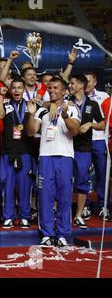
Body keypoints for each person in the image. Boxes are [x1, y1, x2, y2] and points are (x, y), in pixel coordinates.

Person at [26, 77, 80, 247]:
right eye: (50, 88)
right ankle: (47, 234)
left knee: (64, 197)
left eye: (56, 88)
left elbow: (75, 131)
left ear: (64, 91)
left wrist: (64, 116)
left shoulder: (72, 109)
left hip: (65, 157)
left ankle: (63, 233)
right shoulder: (42, 111)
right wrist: (31, 114)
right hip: (46, 158)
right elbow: (30, 131)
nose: (52, 90)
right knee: (45, 197)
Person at [0, 78, 34, 229]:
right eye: (14, 88)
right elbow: (0, 116)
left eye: (20, 87)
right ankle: (8, 216)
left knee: (25, 186)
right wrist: (0, 97)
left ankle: (25, 216)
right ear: (11, 90)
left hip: (25, 151)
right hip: (9, 152)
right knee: (8, 186)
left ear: (24, 89)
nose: (17, 90)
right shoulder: (6, 104)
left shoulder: (30, 105)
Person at [69, 74, 104, 229]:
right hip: (66, 147)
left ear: (81, 86)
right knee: (64, 182)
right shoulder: (66, 102)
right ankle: (62, 214)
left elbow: (103, 124)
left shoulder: (92, 104)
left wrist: (90, 124)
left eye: (73, 83)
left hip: (84, 149)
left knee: (82, 182)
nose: (70, 86)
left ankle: (78, 215)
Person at [85, 71, 109, 218]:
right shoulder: (78, 97)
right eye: (84, 81)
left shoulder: (104, 97)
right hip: (84, 140)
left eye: (89, 81)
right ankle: (85, 206)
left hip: (100, 139)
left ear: (95, 82)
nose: (87, 84)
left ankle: (102, 206)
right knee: (84, 174)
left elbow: (107, 119)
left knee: (102, 174)